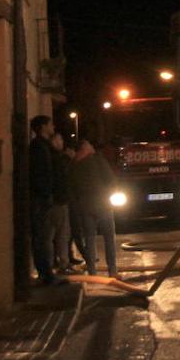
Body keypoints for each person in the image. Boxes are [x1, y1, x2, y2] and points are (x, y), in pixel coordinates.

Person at [68, 139, 121, 278]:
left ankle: (92, 272)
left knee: (89, 240)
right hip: (103, 205)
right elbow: (111, 180)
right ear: (85, 148)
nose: (92, 147)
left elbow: (72, 187)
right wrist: (108, 193)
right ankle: (112, 271)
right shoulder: (98, 160)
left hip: (85, 206)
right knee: (109, 239)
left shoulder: (74, 165)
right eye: (89, 145)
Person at [28, 115, 61, 285]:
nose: (53, 126)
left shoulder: (43, 146)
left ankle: (47, 272)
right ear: (42, 127)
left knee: (44, 236)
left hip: (43, 197)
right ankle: (46, 274)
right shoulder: (38, 147)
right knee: (41, 237)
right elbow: (41, 173)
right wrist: (46, 194)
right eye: (50, 124)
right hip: (41, 199)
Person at [48, 133, 74, 273]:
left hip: (58, 199)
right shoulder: (57, 158)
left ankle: (57, 262)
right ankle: (62, 264)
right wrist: (67, 159)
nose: (62, 141)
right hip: (58, 200)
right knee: (61, 234)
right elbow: (61, 177)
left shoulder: (53, 156)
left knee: (58, 234)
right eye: (59, 139)